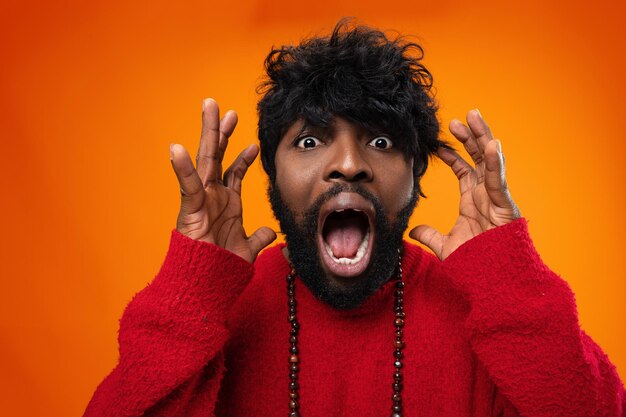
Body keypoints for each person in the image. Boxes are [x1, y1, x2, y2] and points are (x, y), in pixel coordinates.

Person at [84, 21, 625, 417]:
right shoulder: (225, 310)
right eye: (312, 140)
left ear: (416, 171)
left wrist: (508, 278)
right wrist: (194, 289)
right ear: (272, 174)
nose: (348, 164)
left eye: (381, 141)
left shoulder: (482, 313)